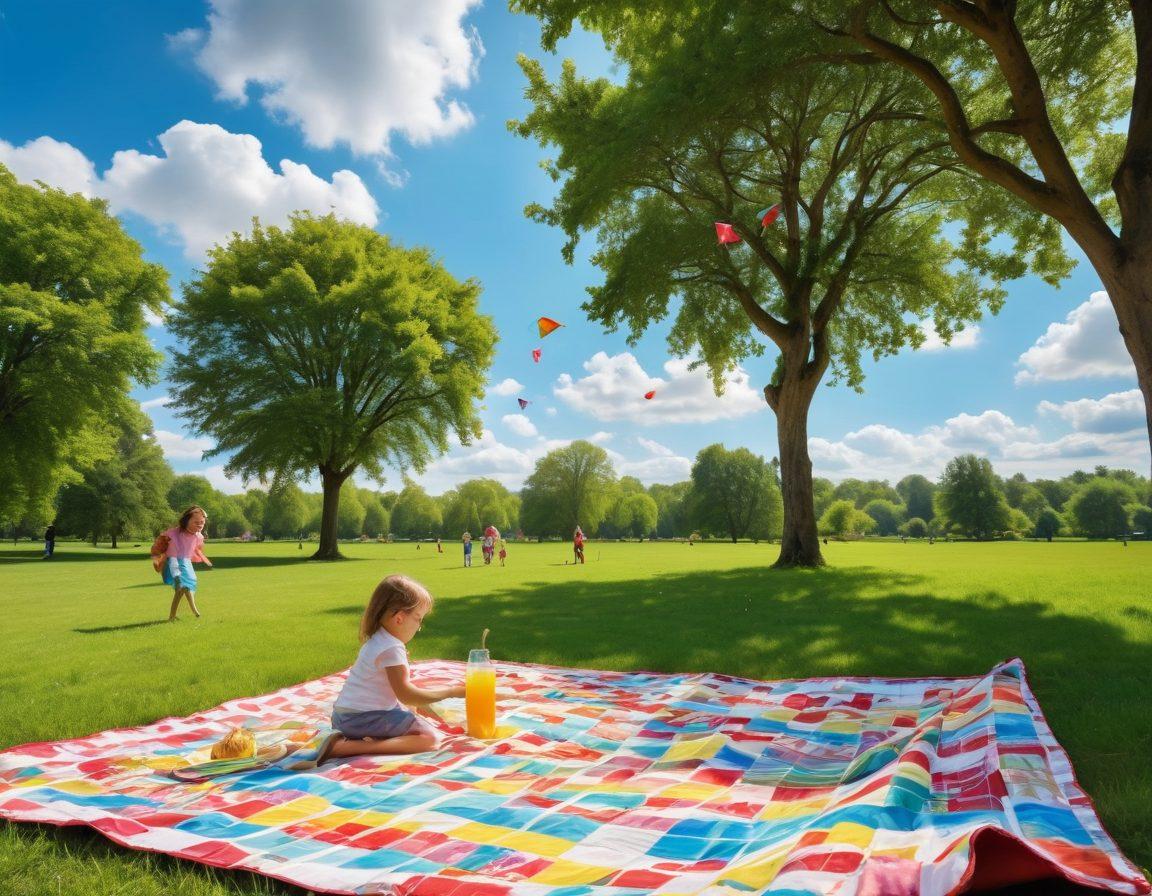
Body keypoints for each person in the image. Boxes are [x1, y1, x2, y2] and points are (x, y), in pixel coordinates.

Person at [308, 575, 464, 765]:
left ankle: (363, 739)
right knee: (429, 739)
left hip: (342, 718)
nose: (419, 627)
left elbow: (403, 700)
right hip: (362, 720)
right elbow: (407, 696)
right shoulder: (391, 648)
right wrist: (450, 692)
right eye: (418, 619)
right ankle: (346, 748)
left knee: (410, 712)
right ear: (399, 618)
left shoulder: (378, 639)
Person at [162, 506, 213, 621]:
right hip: (177, 563)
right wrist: (176, 575)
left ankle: (176, 615)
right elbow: (172, 556)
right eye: (196, 522)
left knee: (184, 588)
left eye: (202, 522)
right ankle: (188, 612)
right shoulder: (177, 535)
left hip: (186, 562)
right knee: (184, 586)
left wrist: (205, 559)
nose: (200, 525)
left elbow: (195, 550)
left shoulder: (198, 536)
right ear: (187, 521)